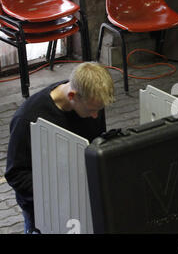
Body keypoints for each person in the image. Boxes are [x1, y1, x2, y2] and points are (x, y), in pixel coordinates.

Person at [5, 62, 115, 234]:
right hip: (42, 209)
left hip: (79, 200)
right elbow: (16, 174)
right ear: (72, 95)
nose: (95, 116)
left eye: (99, 110)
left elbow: (96, 145)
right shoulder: (27, 119)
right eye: (91, 111)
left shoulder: (91, 100)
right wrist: (58, 196)